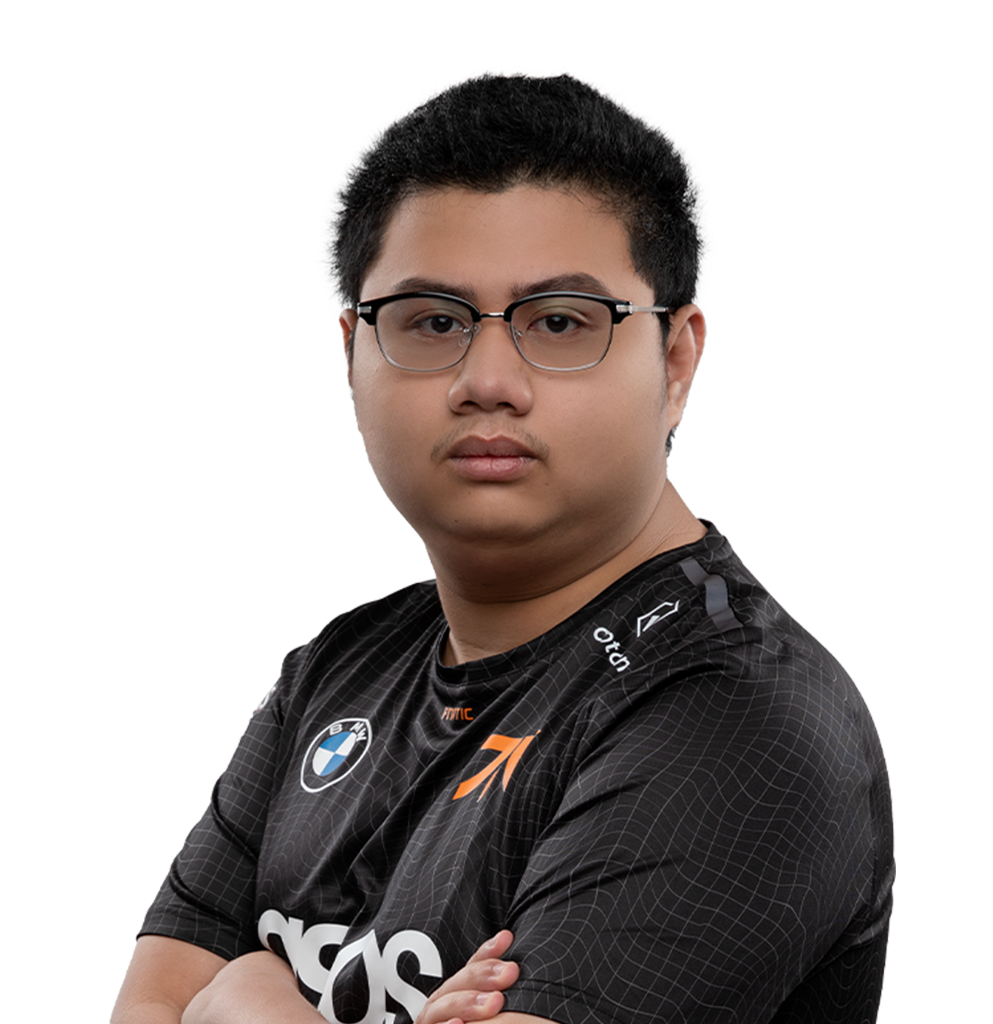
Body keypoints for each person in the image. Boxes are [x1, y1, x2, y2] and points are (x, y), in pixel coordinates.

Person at [112, 72, 894, 1024]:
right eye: (433, 322)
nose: (488, 380)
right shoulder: (338, 669)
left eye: (560, 323)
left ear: (676, 360)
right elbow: (147, 1003)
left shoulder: (743, 724)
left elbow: (201, 999)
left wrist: (249, 1001)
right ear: (351, 352)